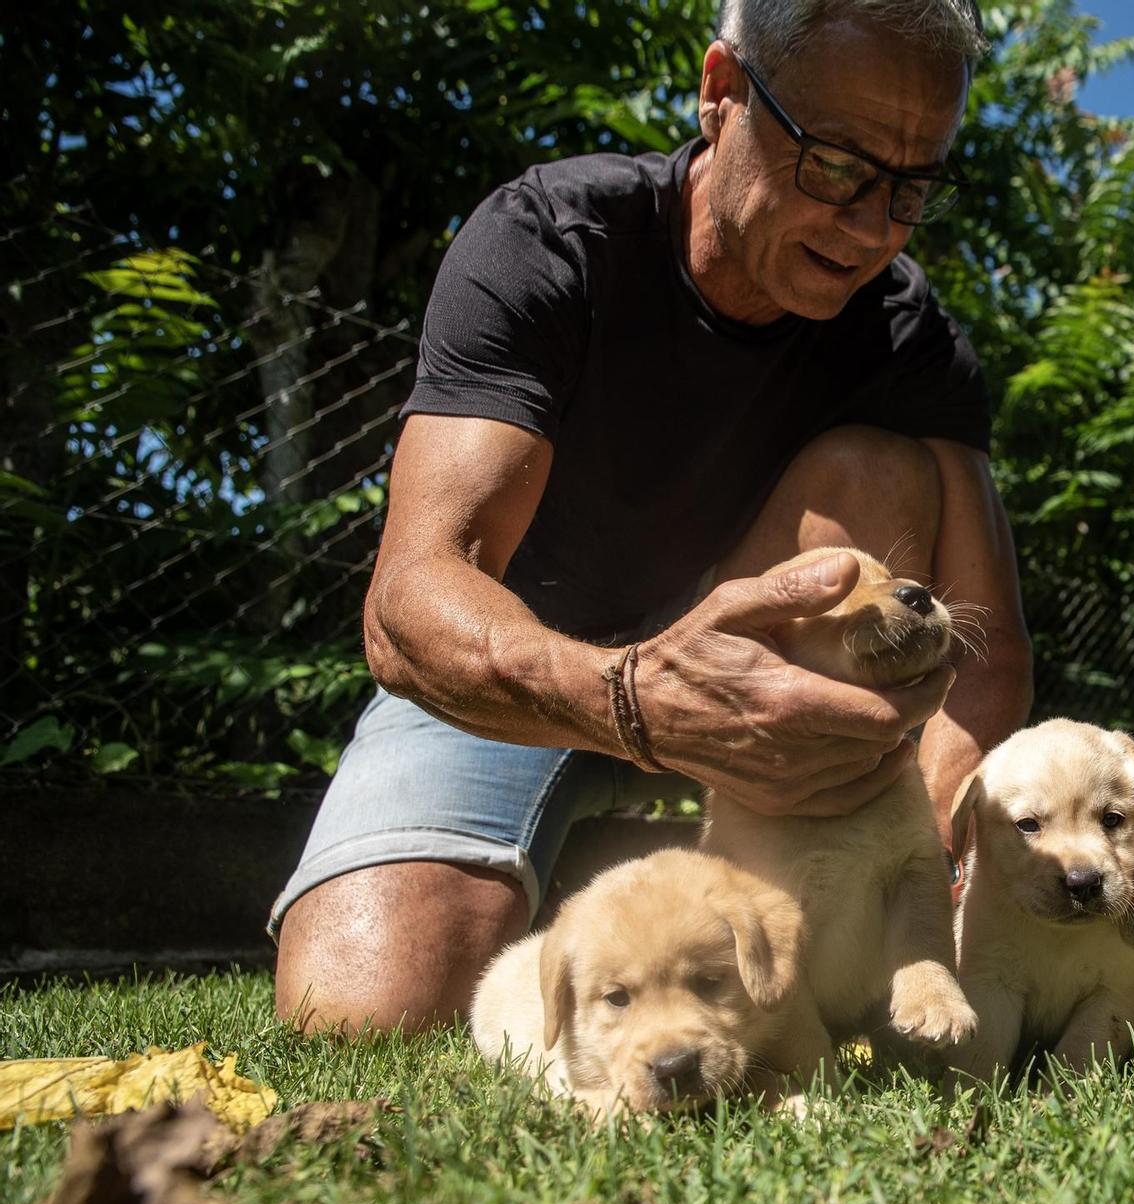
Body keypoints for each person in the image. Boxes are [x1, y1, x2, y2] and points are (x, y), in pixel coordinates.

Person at [270, 0, 1031, 1035]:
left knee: (883, 472)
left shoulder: (907, 338)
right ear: (721, 92)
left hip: (767, 730)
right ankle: (591, 857)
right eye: (837, 164)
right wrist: (633, 704)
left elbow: (982, 653)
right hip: (515, 671)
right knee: (358, 1008)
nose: (870, 228)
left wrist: (926, 846)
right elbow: (409, 600)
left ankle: (723, 869)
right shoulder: (549, 240)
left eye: (912, 186)